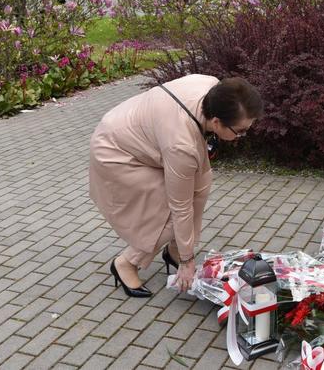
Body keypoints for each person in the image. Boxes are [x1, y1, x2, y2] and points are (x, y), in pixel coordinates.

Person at [89, 74, 263, 297]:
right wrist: (189, 260)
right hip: (116, 151)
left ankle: (174, 251)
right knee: (170, 213)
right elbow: (180, 207)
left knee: (202, 184)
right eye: (240, 131)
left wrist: (184, 251)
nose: (243, 135)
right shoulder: (182, 146)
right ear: (217, 122)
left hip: (144, 135)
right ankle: (126, 263)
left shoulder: (211, 85)